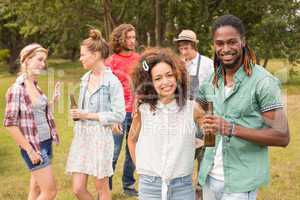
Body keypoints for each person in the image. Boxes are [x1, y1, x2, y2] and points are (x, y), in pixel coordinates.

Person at [196, 14, 290, 200]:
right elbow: (197, 106)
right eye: (219, 43)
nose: (225, 49)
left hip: (240, 184)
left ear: (243, 42)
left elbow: (282, 136)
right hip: (209, 177)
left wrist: (230, 128)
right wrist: (201, 120)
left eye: (232, 42)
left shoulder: (262, 82)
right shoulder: (213, 79)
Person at [127, 47, 205, 200]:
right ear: (149, 83)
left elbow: (211, 136)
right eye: (158, 78)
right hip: (150, 186)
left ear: (178, 76)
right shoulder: (143, 111)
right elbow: (132, 140)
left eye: (169, 75)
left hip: (182, 186)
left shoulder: (192, 108)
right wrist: (141, 169)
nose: (165, 82)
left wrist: (198, 141)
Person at [66, 29, 125, 200]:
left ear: (97, 54)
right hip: (82, 137)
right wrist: (78, 114)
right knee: (78, 189)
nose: (80, 58)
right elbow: (84, 110)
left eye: (84, 55)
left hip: (100, 138)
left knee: (102, 188)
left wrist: (88, 115)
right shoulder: (85, 79)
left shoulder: (112, 82)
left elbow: (119, 114)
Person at [3, 43, 60, 200]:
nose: (43, 64)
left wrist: (52, 102)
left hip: (46, 142)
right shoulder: (17, 90)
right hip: (34, 147)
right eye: (39, 60)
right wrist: (30, 150)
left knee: (35, 189)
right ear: (26, 60)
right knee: (50, 192)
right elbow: (10, 124)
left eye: (44, 61)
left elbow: (35, 112)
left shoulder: (35, 85)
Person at [174, 29, 214, 199]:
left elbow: (213, 91)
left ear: (194, 46)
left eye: (187, 48)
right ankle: (185, 192)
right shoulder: (176, 64)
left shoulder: (207, 63)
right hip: (183, 118)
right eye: (181, 48)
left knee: (205, 158)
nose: (184, 52)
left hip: (203, 116)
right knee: (185, 158)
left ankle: (202, 191)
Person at [105, 23, 139, 196]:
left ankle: (128, 186)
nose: (132, 41)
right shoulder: (111, 62)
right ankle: (106, 189)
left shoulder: (139, 59)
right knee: (113, 151)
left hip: (136, 113)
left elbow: (142, 85)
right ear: (120, 39)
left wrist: (138, 106)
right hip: (117, 114)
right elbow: (106, 90)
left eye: (134, 37)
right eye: (129, 37)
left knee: (132, 150)